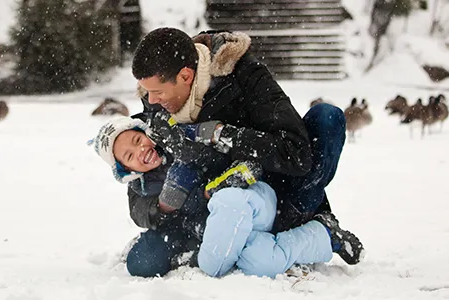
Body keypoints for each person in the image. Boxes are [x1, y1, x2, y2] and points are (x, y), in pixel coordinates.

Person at [125, 27, 364, 276]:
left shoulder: (246, 76)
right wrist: (162, 208)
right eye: (147, 93)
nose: (151, 101)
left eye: (157, 92)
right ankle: (263, 245)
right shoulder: (157, 104)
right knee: (143, 261)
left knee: (327, 118)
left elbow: (296, 153)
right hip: (205, 207)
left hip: (275, 193)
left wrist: (222, 135)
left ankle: (299, 228)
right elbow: (137, 185)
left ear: (185, 76)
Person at [90, 116, 363, 278]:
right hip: (200, 227)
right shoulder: (140, 188)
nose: (141, 151)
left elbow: (217, 151)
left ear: (144, 133)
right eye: (129, 156)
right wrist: (168, 204)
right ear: (127, 170)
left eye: (138, 141)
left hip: (240, 205)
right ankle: (320, 236)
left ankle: (319, 234)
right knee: (143, 261)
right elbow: (142, 214)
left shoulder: (176, 141)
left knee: (237, 218)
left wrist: (208, 184)